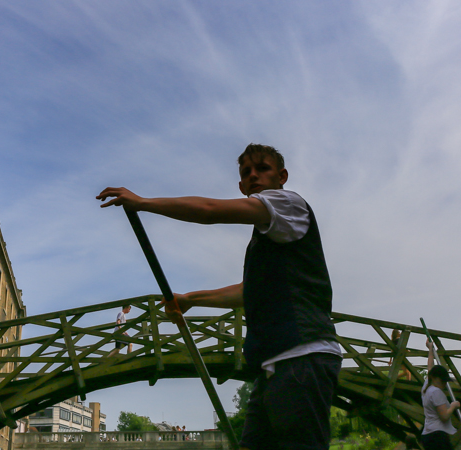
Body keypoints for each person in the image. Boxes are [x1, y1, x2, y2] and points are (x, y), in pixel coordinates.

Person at [98, 143, 341, 450]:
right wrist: (190, 299)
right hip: (272, 365)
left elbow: (210, 211)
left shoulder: (287, 204)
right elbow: (247, 290)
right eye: (246, 172)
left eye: (262, 168)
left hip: (302, 356)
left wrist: (144, 202)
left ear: (282, 176)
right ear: (241, 185)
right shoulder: (269, 236)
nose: (253, 175)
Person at [421, 339, 461, 450]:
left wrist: (430, 349)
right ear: (434, 378)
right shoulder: (436, 392)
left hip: (427, 434)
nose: (444, 383)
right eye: (442, 380)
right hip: (437, 436)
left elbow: (430, 367)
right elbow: (444, 416)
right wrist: (454, 405)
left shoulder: (427, 386)